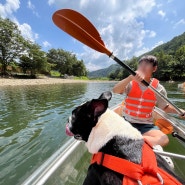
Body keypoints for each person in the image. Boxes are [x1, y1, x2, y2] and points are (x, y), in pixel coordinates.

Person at [113, 55, 185, 147]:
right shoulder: (130, 83)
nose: (142, 67)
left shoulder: (159, 88)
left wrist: (180, 111)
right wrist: (130, 78)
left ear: (154, 69)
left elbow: (165, 108)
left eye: (146, 64)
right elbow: (115, 90)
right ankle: (137, 140)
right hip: (127, 121)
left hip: (146, 125)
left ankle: (135, 139)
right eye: (140, 65)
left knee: (164, 139)